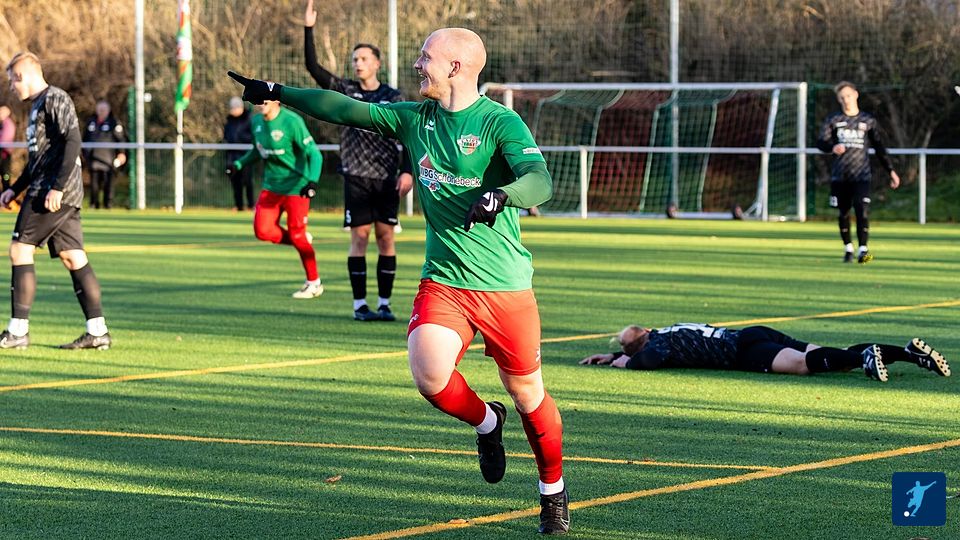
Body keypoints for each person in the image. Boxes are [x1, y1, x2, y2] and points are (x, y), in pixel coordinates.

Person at [229, 27, 567, 534]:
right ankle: (487, 421)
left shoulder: (500, 122)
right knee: (430, 375)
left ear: (455, 67)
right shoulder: (415, 119)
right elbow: (344, 109)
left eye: (425, 57)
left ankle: (552, 491)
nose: (416, 64)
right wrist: (277, 91)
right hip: (445, 281)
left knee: (528, 395)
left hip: (505, 287)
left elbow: (540, 180)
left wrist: (503, 195)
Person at [303, 0, 414, 322]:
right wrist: (308, 29)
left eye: (364, 58)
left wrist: (407, 171)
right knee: (360, 237)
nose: (358, 63)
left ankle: (385, 304)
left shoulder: (393, 97)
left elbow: (408, 135)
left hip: (387, 177)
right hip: (356, 175)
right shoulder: (345, 90)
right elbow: (313, 67)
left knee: (386, 237)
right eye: (354, 59)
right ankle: (359, 306)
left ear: (377, 63)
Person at [0, 52, 112, 350]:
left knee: (19, 249)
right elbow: (39, 159)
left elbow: (72, 141)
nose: (12, 87)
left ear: (23, 76)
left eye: (12, 81)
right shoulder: (38, 105)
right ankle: (97, 331)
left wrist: (57, 187)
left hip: (50, 192)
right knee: (72, 256)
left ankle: (18, 331)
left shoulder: (55, 98)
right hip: (52, 189)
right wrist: (15, 188)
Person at [581, 323, 950, 383]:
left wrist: (622, 362)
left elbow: (646, 361)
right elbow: (645, 350)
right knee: (825, 354)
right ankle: (907, 353)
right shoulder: (670, 330)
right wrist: (612, 356)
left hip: (744, 352)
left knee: (803, 365)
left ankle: (864, 359)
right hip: (753, 333)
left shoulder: (658, 345)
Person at [227, 99, 324, 299]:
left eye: (264, 99)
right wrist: (238, 164)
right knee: (262, 231)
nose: (260, 103)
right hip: (271, 187)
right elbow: (258, 150)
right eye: (257, 99)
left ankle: (314, 283)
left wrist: (312, 181)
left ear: (277, 101)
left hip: (297, 188)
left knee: (297, 235)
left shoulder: (292, 121)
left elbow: (315, 154)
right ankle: (300, 239)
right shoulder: (256, 122)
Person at [816, 81, 900, 264]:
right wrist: (832, 147)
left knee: (862, 210)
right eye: (842, 97)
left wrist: (891, 171)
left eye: (848, 95)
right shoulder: (834, 120)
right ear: (839, 100)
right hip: (840, 176)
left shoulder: (867, 121)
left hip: (861, 175)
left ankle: (864, 251)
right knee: (844, 213)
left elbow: (879, 147)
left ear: (855, 94)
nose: (846, 100)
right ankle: (848, 249)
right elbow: (821, 142)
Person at [81, 99, 126, 209]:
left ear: (108, 110)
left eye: (103, 109)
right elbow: (84, 138)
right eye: (99, 109)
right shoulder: (91, 122)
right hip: (94, 159)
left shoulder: (113, 122)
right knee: (94, 184)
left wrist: (121, 154)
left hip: (109, 159)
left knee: (108, 183)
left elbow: (121, 140)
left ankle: (108, 205)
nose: (101, 111)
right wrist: (85, 155)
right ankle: (94, 204)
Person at [223, 96, 254, 211]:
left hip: (245, 155)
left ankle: (251, 205)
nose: (233, 111)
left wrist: (240, 139)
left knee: (247, 181)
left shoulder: (249, 119)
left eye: (235, 108)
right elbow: (227, 136)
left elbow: (252, 136)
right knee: (235, 181)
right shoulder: (229, 121)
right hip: (232, 156)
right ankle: (239, 205)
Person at [0, 105, 15, 193]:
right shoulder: (2, 124)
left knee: (5, 174)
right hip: (3, 152)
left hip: (4, 154)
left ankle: (6, 192)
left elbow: (5, 139)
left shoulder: (8, 124)